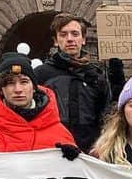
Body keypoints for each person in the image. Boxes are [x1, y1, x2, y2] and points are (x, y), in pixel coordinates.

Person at [33, 13, 115, 153]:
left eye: (75, 34)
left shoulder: (96, 76)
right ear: (56, 40)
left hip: (90, 153)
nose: (70, 39)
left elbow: (106, 116)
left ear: (83, 39)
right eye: (63, 34)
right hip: (52, 151)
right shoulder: (41, 75)